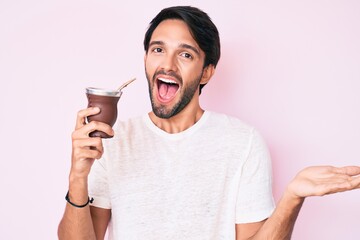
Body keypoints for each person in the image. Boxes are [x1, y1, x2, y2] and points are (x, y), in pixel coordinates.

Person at [58, 6, 360, 240]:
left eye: (185, 54)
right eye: (158, 50)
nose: (167, 64)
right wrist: (77, 177)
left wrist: (292, 197)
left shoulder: (242, 142)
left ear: (206, 73)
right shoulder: (112, 141)